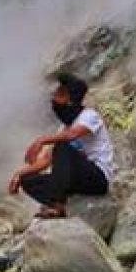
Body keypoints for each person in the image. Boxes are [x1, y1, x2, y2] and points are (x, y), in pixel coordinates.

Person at [8, 72, 114, 218]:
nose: (54, 99)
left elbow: (73, 135)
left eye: (59, 94)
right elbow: (45, 161)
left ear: (70, 100)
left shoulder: (89, 116)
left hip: (98, 178)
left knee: (62, 146)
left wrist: (42, 140)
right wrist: (18, 175)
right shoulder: (64, 129)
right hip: (76, 181)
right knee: (28, 180)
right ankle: (56, 205)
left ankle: (58, 205)